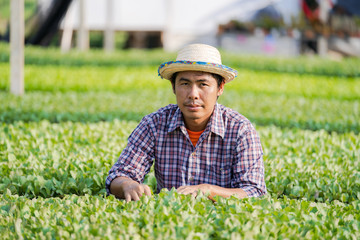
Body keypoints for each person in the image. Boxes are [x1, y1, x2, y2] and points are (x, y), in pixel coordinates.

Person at [106, 43, 266, 202]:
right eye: (185, 84)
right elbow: (118, 175)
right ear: (173, 87)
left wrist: (208, 190)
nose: (193, 94)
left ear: (220, 87)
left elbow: (254, 191)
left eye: (203, 84)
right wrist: (128, 185)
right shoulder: (154, 124)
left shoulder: (240, 130)